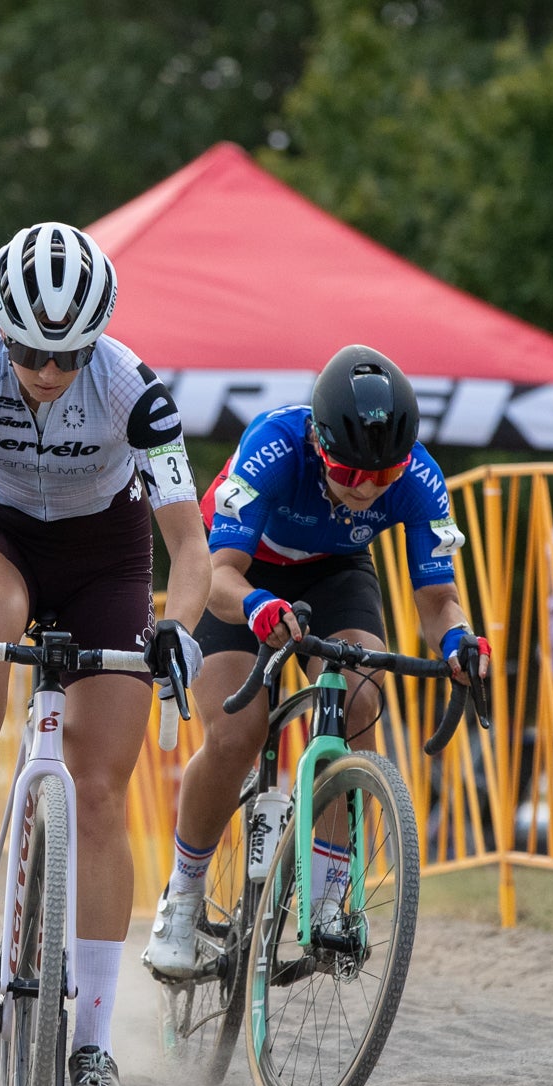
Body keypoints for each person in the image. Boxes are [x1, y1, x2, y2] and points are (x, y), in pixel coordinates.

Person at [0, 222, 211, 1086]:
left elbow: (188, 546)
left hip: (105, 555)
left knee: (103, 790)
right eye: (34, 352)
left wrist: (180, 628)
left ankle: (90, 1043)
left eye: (69, 353)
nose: (49, 370)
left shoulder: (133, 387)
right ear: (4, 332)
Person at [143, 346, 490, 978]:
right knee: (236, 732)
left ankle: (330, 894)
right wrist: (257, 607)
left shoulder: (419, 477)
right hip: (240, 573)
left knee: (359, 699)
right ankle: (184, 897)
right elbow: (218, 574)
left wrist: (459, 641)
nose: (365, 488)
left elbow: (439, 598)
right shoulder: (274, 444)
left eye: (382, 478)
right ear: (319, 441)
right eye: (349, 471)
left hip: (334, 573)